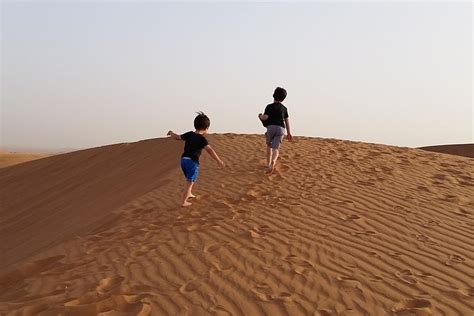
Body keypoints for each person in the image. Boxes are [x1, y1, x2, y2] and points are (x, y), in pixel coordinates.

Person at [167, 112, 225, 207]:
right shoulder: (202, 139)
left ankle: (189, 193)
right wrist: (218, 160)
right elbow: (210, 150)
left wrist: (171, 133)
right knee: (190, 181)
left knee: (190, 179)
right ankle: (183, 201)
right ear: (206, 128)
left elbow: (177, 137)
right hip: (192, 162)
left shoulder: (189, 134)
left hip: (183, 160)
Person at [258, 87, 293, 173]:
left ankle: (268, 164)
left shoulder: (269, 107)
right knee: (276, 149)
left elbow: (265, 117)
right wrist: (289, 133)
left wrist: (260, 116)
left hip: (271, 128)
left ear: (273, 95)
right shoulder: (284, 109)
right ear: (283, 99)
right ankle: (273, 161)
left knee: (269, 146)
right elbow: (287, 121)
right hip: (281, 128)